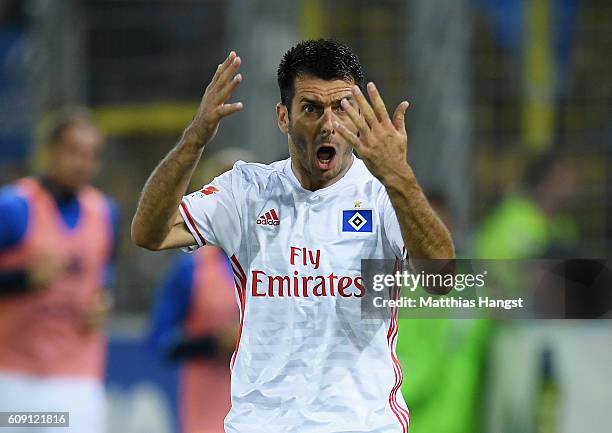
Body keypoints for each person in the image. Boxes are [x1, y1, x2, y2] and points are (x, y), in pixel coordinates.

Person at [132, 39, 455, 433]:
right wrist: (195, 137)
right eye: (312, 109)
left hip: (361, 424)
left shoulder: (383, 193)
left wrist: (398, 176)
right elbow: (150, 233)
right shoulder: (247, 191)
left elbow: (442, 280)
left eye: (343, 108)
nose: (329, 124)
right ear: (284, 117)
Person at [0, 111, 119, 433]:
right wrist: (23, 280)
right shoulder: (14, 207)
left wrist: (103, 303)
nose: (82, 163)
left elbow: (104, 277)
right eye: (72, 151)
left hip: (77, 381)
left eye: (91, 155)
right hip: (13, 378)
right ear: (49, 151)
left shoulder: (105, 213)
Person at [148, 149, 252, 433]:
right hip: (205, 415)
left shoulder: (278, 261)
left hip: (266, 413)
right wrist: (212, 344)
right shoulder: (190, 269)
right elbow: (160, 342)